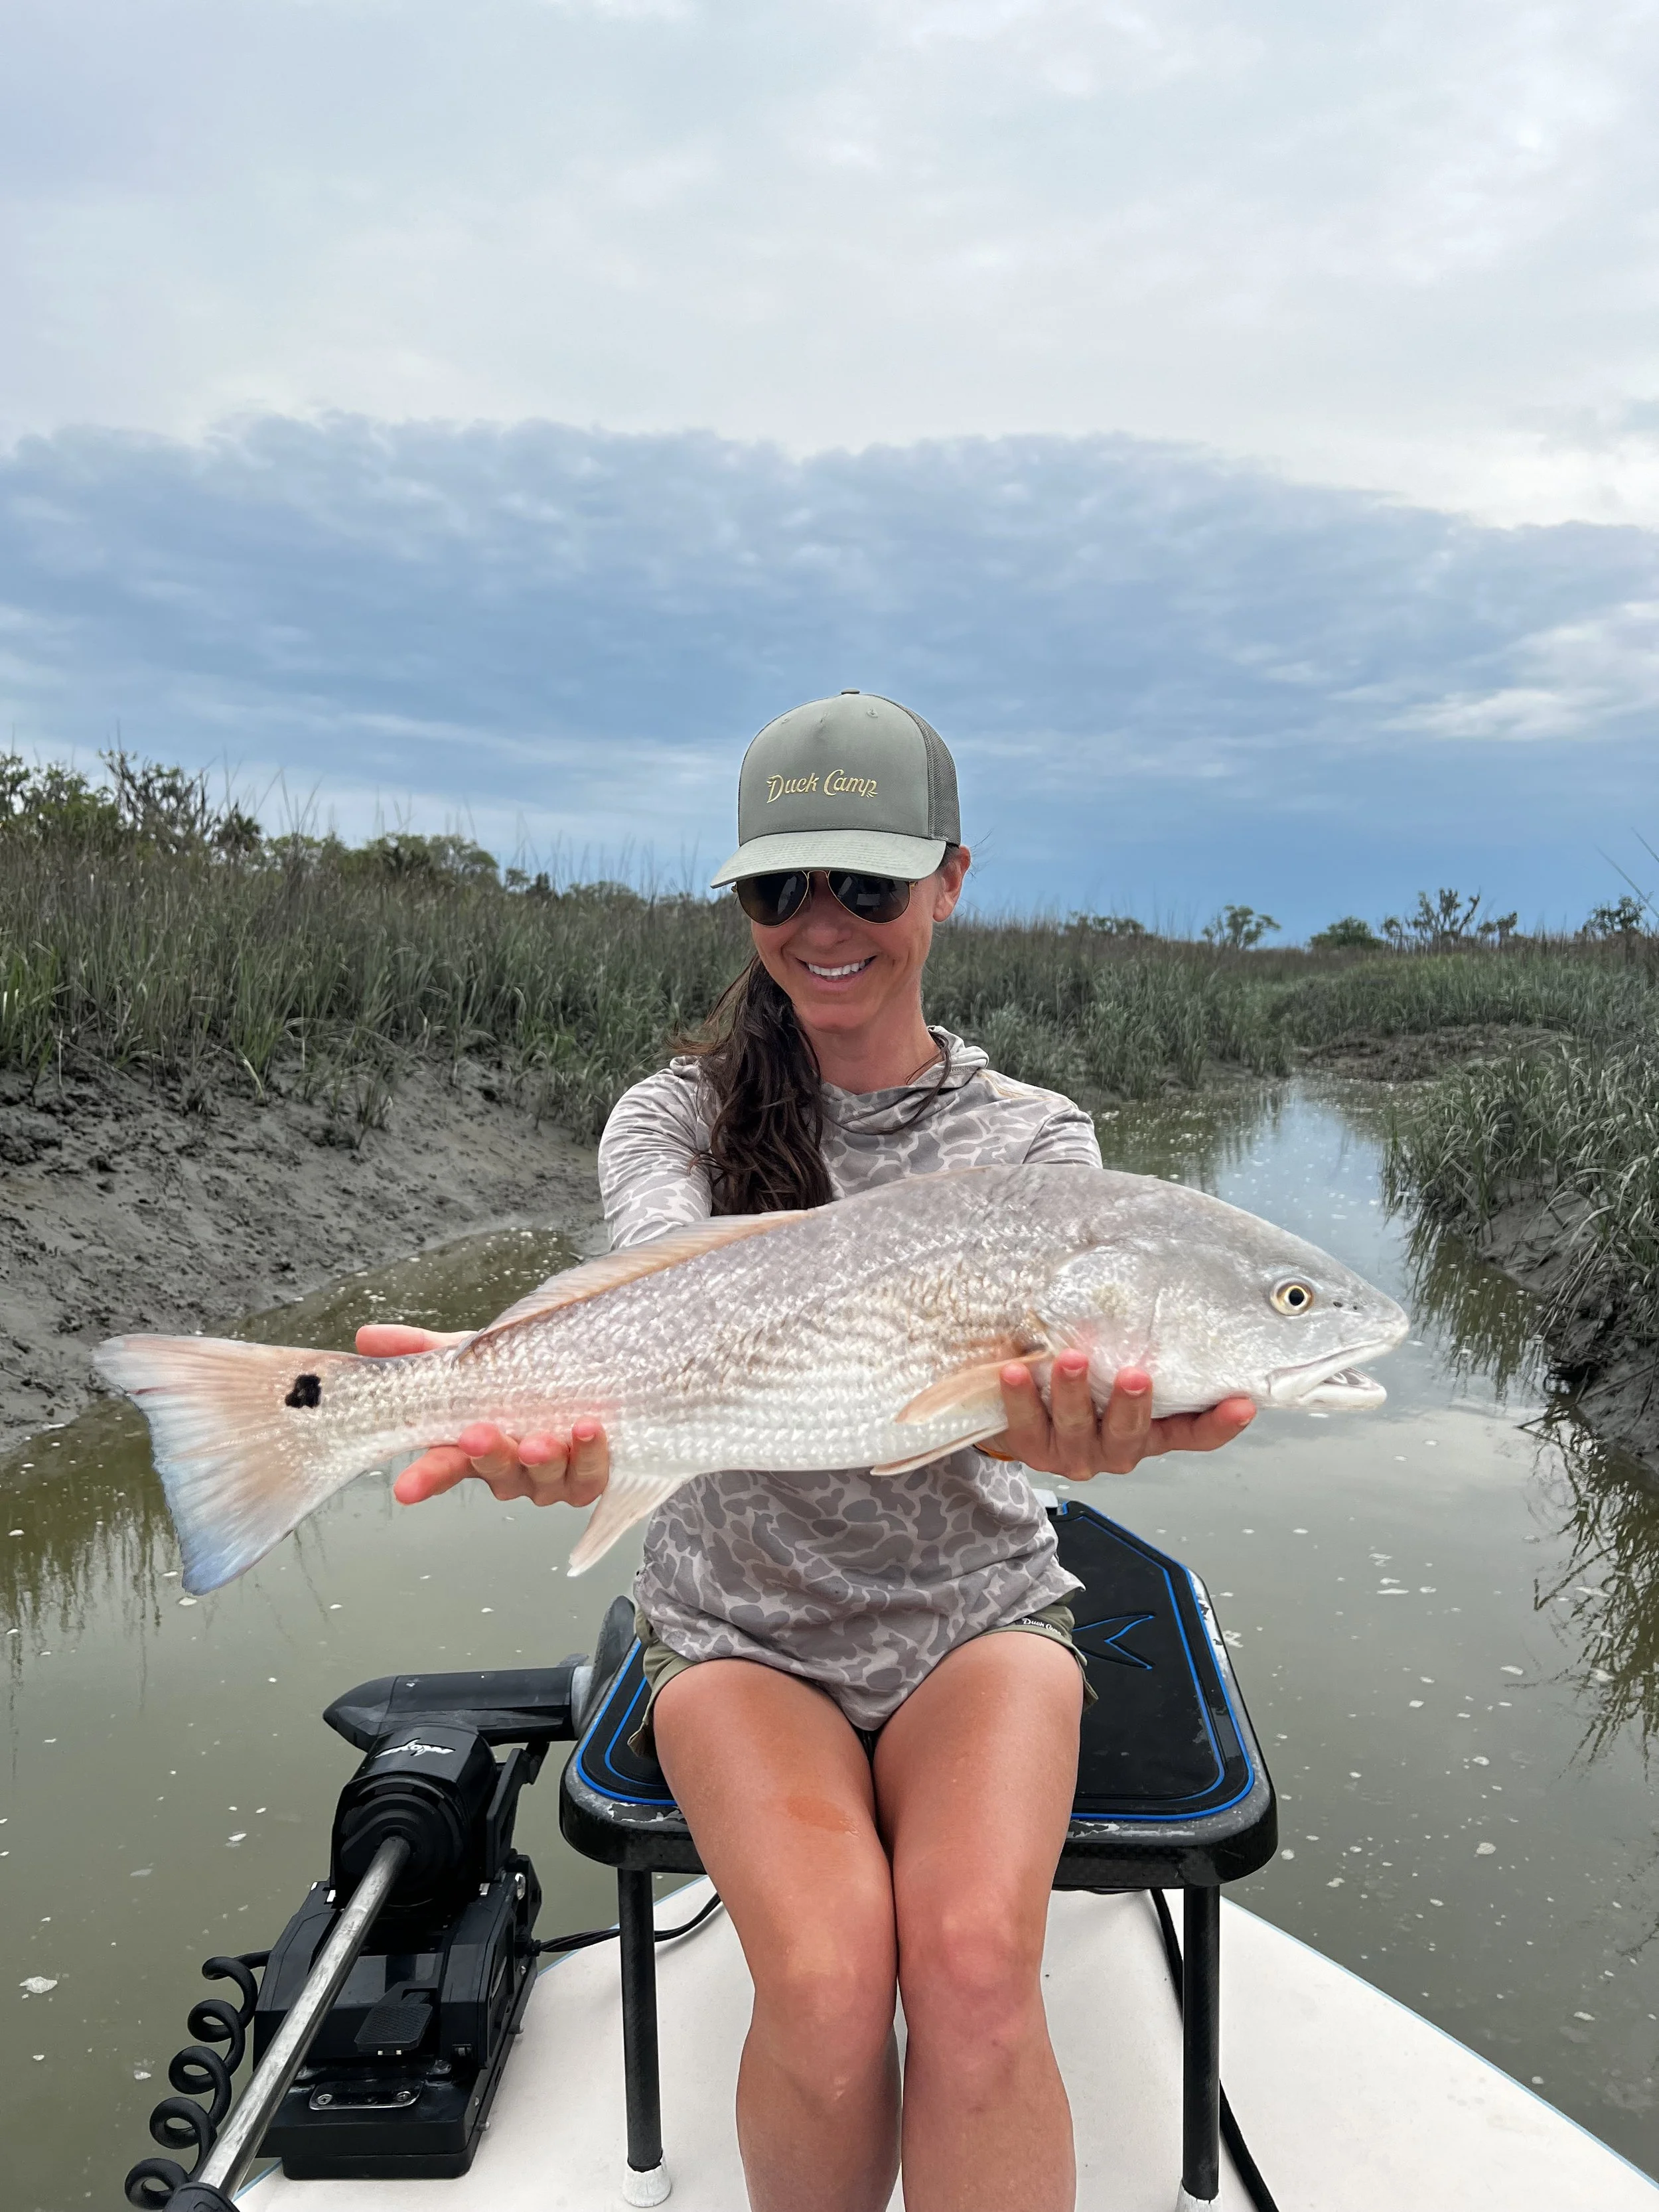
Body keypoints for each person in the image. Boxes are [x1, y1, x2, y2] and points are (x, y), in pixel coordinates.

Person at [360, 694, 1255, 2212]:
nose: (821, 922)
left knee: (973, 1964)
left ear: (949, 880)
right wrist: (534, 1416)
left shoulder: (1035, 1142)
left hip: (976, 1611)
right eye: (780, 887)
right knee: (832, 1979)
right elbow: (662, 1295)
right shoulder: (671, 1118)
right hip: (735, 1625)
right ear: (743, 902)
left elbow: (1067, 1398)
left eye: (866, 882)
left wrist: (1089, 1433)